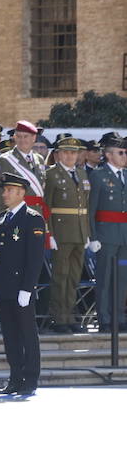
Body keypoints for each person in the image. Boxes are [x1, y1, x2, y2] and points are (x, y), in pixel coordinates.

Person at [0, 173, 46, 395]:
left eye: (9, 190)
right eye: (4, 190)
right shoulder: (3, 217)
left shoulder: (32, 219)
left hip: (21, 287)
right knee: (10, 335)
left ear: (21, 193)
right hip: (4, 286)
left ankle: (30, 379)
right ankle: (15, 378)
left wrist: (27, 288)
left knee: (27, 334)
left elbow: (34, 258)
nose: (5, 194)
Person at [43, 136, 89, 333]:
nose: (70, 156)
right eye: (66, 152)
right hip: (60, 232)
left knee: (73, 277)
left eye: (73, 152)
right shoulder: (51, 174)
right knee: (60, 276)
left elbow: (85, 205)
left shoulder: (81, 173)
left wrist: (87, 233)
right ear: (58, 154)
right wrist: (49, 233)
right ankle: (59, 318)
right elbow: (46, 206)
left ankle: (70, 315)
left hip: (79, 232)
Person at [87, 134, 127, 332]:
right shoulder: (98, 175)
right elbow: (91, 209)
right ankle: (104, 317)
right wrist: (92, 236)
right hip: (105, 236)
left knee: (121, 276)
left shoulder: (125, 175)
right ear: (109, 155)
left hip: (124, 238)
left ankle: (119, 316)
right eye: (121, 152)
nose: (124, 156)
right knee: (104, 277)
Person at [0, 120, 46, 217]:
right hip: (16, 215)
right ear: (15, 137)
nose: (22, 140)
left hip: (37, 215)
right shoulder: (5, 160)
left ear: (34, 138)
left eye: (26, 137)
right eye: (19, 137)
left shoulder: (39, 159)